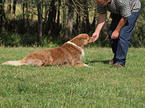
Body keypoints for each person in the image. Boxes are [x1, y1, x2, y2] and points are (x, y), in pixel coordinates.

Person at [92, 0, 141, 67]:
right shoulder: (101, 1)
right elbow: (102, 15)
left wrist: (117, 31)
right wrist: (97, 31)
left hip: (131, 9)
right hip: (118, 11)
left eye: (101, 3)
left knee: (123, 35)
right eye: (99, 3)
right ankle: (117, 57)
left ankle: (120, 62)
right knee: (111, 34)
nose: (99, 4)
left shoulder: (121, 1)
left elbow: (125, 17)